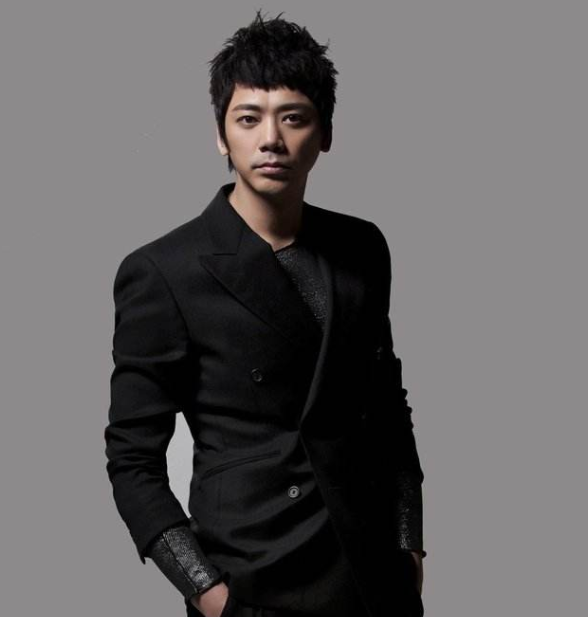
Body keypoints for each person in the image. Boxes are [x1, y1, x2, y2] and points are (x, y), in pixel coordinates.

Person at [105, 10, 426, 617]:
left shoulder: (362, 247)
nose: (270, 139)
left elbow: (387, 408)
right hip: (257, 580)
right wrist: (208, 593)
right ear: (221, 135)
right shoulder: (164, 271)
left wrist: (409, 544)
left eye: (293, 117)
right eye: (248, 118)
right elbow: (132, 460)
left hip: (372, 574)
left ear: (324, 134)